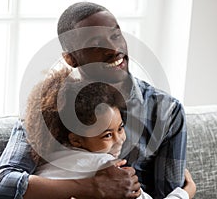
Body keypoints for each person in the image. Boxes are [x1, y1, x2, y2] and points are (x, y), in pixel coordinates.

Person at [0, 2, 195, 199]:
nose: (114, 49)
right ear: (71, 58)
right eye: (96, 44)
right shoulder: (50, 107)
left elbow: (167, 192)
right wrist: (92, 186)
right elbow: (1, 186)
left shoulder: (166, 111)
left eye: (116, 35)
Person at [25, 68, 194, 199]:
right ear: (76, 140)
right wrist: (186, 192)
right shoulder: (109, 169)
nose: (120, 139)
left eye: (120, 128)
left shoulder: (46, 163)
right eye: (107, 135)